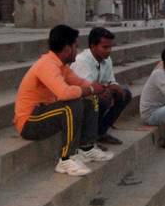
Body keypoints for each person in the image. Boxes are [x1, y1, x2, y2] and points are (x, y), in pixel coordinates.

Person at [14, 25, 113, 176]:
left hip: (44, 112)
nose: (77, 51)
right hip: (29, 122)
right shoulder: (46, 65)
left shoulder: (62, 66)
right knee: (71, 105)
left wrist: (98, 89)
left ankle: (86, 148)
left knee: (89, 98)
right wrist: (92, 89)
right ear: (67, 49)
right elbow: (65, 93)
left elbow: (80, 83)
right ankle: (66, 158)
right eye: (76, 46)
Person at [71, 27, 132, 146]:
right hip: (79, 100)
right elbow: (89, 89)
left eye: (110, 47)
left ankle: (100, 132)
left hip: (95, 93)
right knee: (102, 98)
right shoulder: (82, 61)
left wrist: (115, 86)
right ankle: (88, 137)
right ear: (93, 46)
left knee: (124, 94)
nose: (109, 51)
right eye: (105, 47)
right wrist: (108, 88)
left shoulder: (106, 59)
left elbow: (110, 81)